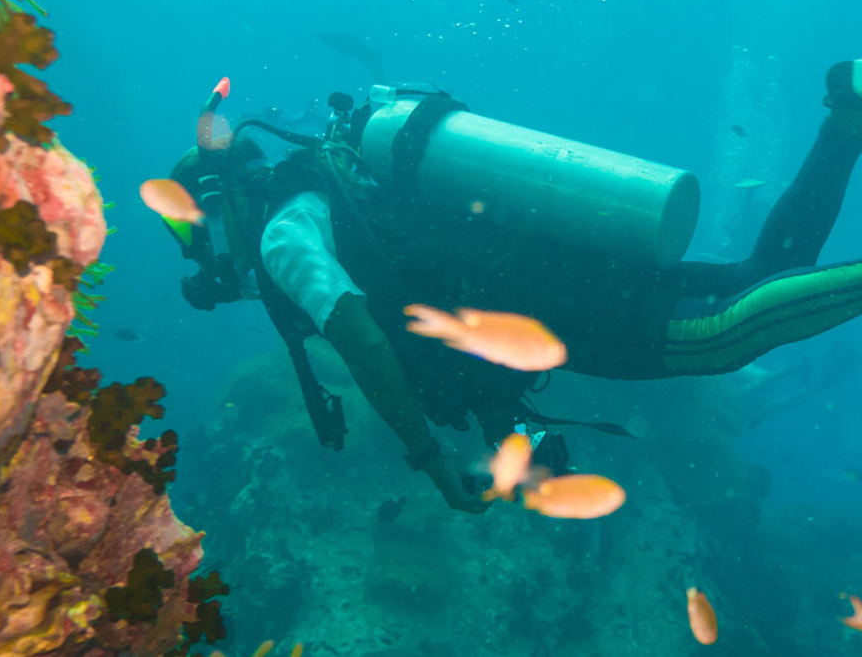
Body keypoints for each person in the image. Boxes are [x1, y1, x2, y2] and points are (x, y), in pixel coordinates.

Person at [160, 61, 862, 513]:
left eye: (193, 235)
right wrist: (505, 431)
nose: (206, 261)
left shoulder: (284, 234)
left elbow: (368, 343)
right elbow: (429, 324)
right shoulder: (328, 189)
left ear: (220, 204)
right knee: (756, 278)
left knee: (718, 337)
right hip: (550, 263)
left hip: (544, 302)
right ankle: (848, 116)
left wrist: (429, 460)